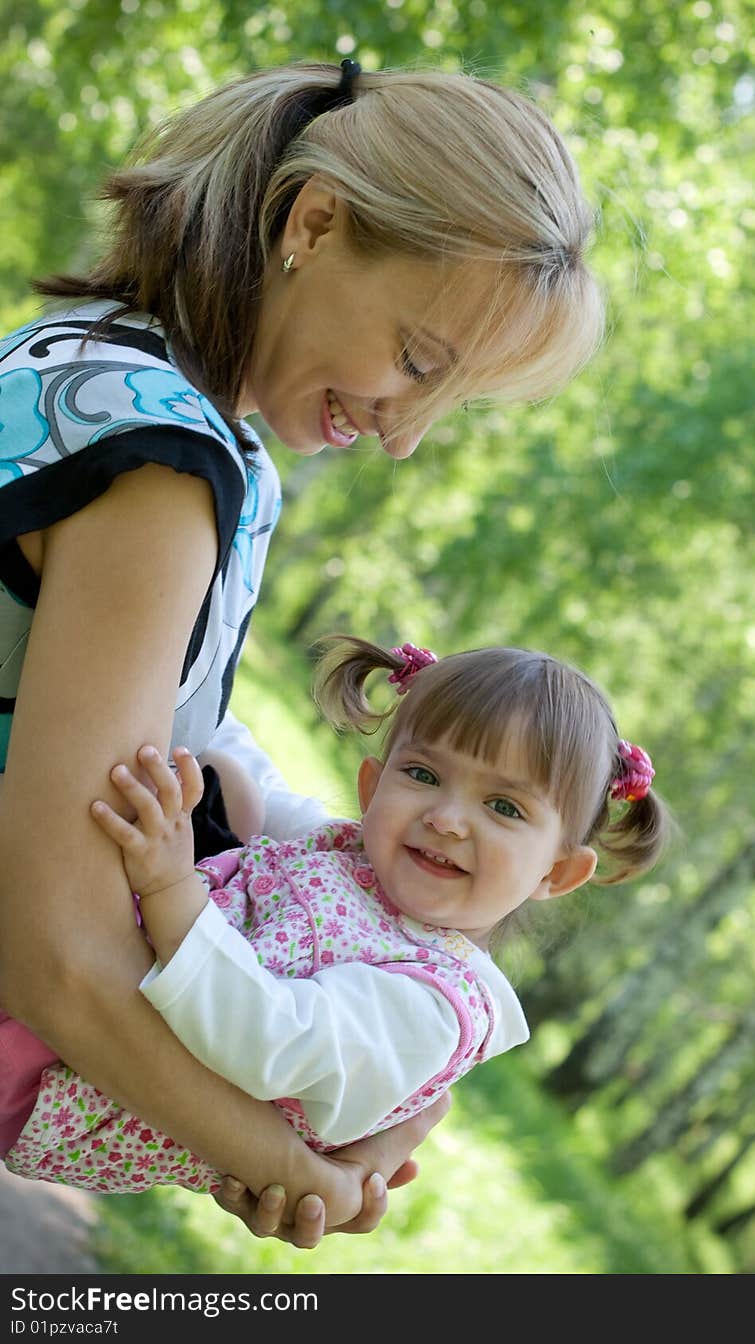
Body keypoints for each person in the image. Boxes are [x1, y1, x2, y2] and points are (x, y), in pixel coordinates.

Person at [0, 57, 604, 1244]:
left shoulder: (95, 359)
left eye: (450, 399)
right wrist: (292, 1167)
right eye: (419, 362)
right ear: (314, 223)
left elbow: (143, 723)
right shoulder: (165, 470)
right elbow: (52, 960)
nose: (404, 434)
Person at [2, 637, 669, 1191]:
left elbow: (270, 1040)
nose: (446, 818)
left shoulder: (433, 1004)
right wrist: (172, 655)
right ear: (373, 787)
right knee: (220, 782)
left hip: (67, 1079)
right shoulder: (354, 856)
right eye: (425, 776)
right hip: (82, 996)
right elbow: (253, 779)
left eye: (504, 808)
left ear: (557, 872)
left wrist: (173, 888)